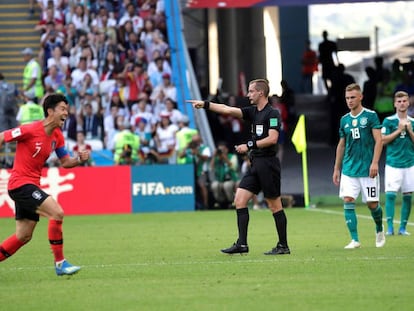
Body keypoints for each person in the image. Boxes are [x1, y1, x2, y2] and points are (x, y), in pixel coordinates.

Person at [188, 78, 290, 255]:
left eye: (251, 91)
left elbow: (273, 139)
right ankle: (242, 244)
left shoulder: (272, 113)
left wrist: (249, 145)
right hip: (255, 163)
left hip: (268, 164)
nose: (248, 94)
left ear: (260, 92)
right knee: (239, 200)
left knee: (274, 205)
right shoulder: (252, 112)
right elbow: (227, 109)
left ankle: (283, 246)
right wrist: (205, 104)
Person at [0, 93, 90, 276]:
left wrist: (79, 159)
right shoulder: (30, 130)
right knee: (56, 212)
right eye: (63, 109)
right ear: (50, 111)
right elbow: (2, 136)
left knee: (23, 235)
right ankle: (60, 264)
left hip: (31, 185)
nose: (67, 113)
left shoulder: (57, 135)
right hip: (20, 184)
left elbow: (65, 162)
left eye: (67, 109)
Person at [332, 83, 385, 249]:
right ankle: (355, 239)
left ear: (360, 97)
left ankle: (379, 228)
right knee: (348, 200)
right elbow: (341, 144)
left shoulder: (370, 116)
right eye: (347, 98)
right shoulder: (344, 120)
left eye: (353, 97)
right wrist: (336, 168)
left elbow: (379, 140)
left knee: (372, 204)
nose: (349, 100)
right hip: (349, 169)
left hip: (368, 169)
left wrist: (375, 162)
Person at [381, 91, 414, 236]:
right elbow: (383, 140)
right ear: (395, 104)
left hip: (410, 164)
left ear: (408, 103)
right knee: (390, 195)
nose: (402, 103)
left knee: (408, 196)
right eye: (399, 101)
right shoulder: (388, 121)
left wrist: (410, 131)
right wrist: (399, 130)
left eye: (404, 101)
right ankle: (389, 228)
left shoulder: (412, 122)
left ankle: (402, 228)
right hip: (393, 164)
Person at [210, 142, 239, 209]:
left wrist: (224, 157)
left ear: (227, 149)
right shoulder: (216, 158)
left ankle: (231, 202)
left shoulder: (232, 156)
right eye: (220, 150)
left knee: (227, 185)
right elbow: (211, 167)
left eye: (223, 150)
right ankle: (221, 202)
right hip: (220, 180)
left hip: (231, 179)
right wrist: (214, 156)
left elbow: (233, 167)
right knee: (214, 185)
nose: (221, 152)